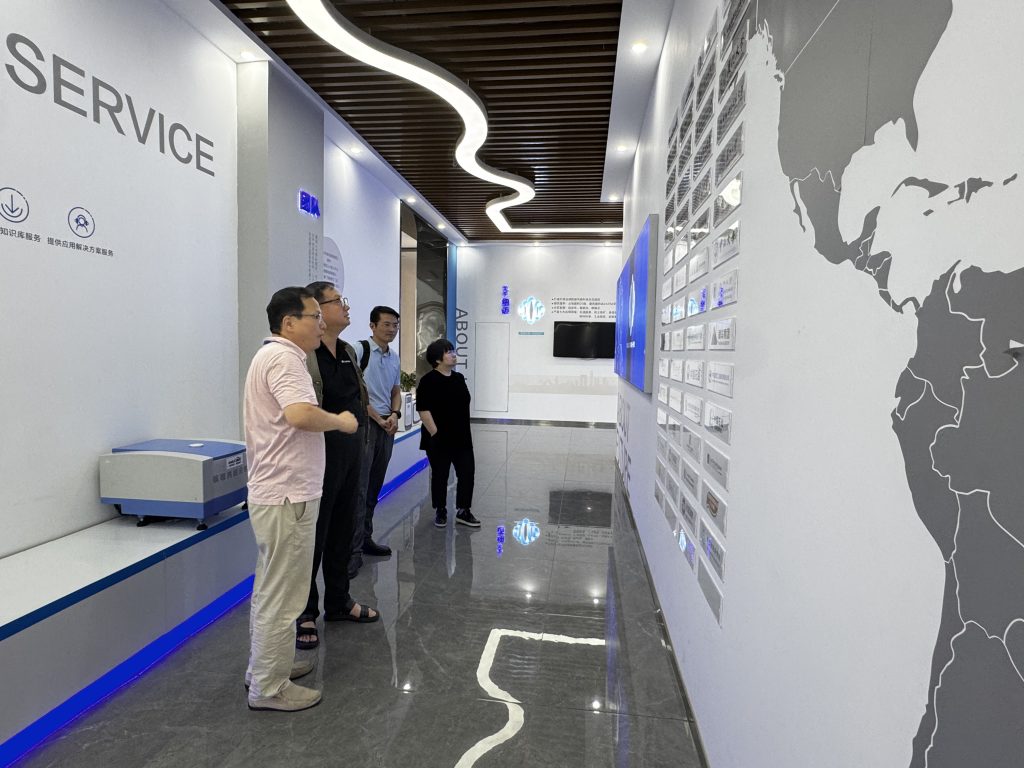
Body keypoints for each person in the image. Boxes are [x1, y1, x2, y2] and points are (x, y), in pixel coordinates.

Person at [243, 286, 358, 712]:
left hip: (279, 492)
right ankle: (268, 687)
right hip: (288, 495)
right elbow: (299, 414)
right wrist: (341, 422)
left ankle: (265, 667)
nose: (321, 323)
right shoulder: (286, 358)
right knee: (284, 595)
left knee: (271, 588)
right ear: (289, 323)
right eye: (314, 316)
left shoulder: (272, 356)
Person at [296, 282, 380, 653]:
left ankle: (339, 601)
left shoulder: (346, 351)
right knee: (313, 537)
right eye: (337, 301)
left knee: (344, 532)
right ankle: (305, 613)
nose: (345, 307)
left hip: (352, 454)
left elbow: (358, 398)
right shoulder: (304, 356)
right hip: (318, 459)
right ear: (317, 309)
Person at [350, 305, 401, 576]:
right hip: (366, 425)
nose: (391, 329)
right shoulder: (359, 350)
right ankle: (352, 550)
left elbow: (396, 391)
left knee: (373, 487)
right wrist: (378, 418)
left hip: (385, 427)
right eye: (386, 324)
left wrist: (394, 415)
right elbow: (355, 392)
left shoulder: (394, 357)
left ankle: (365, 538)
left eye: (395, 325)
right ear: (372, 326)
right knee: (359, 488)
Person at [416, 339, 480, 529]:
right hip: (438, 438)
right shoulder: (428, 381)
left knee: (467, 473)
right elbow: (423, 410)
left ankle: (464, 510)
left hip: (462, 436)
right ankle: (441, 510)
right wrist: (436, 434)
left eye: (453, 351)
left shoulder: (458, 378)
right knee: (440, 475)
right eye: (448, 352)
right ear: (437, 359)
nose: (453, 354)